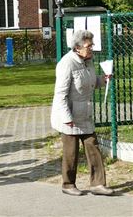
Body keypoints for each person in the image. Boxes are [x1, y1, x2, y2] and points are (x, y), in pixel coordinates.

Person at [51, 29, 114, 196]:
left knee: (93, 146)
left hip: (85, 114)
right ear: (77, 48)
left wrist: (103, 79)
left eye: (92, 45)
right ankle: (68, 184)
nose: (91, 48)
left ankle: (97, 184)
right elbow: (60, 94)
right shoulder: (67, 63)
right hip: (69, 115)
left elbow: (90, 82)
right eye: (88, 46)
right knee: (71, 152)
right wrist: (66, 117)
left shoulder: (89, 61)